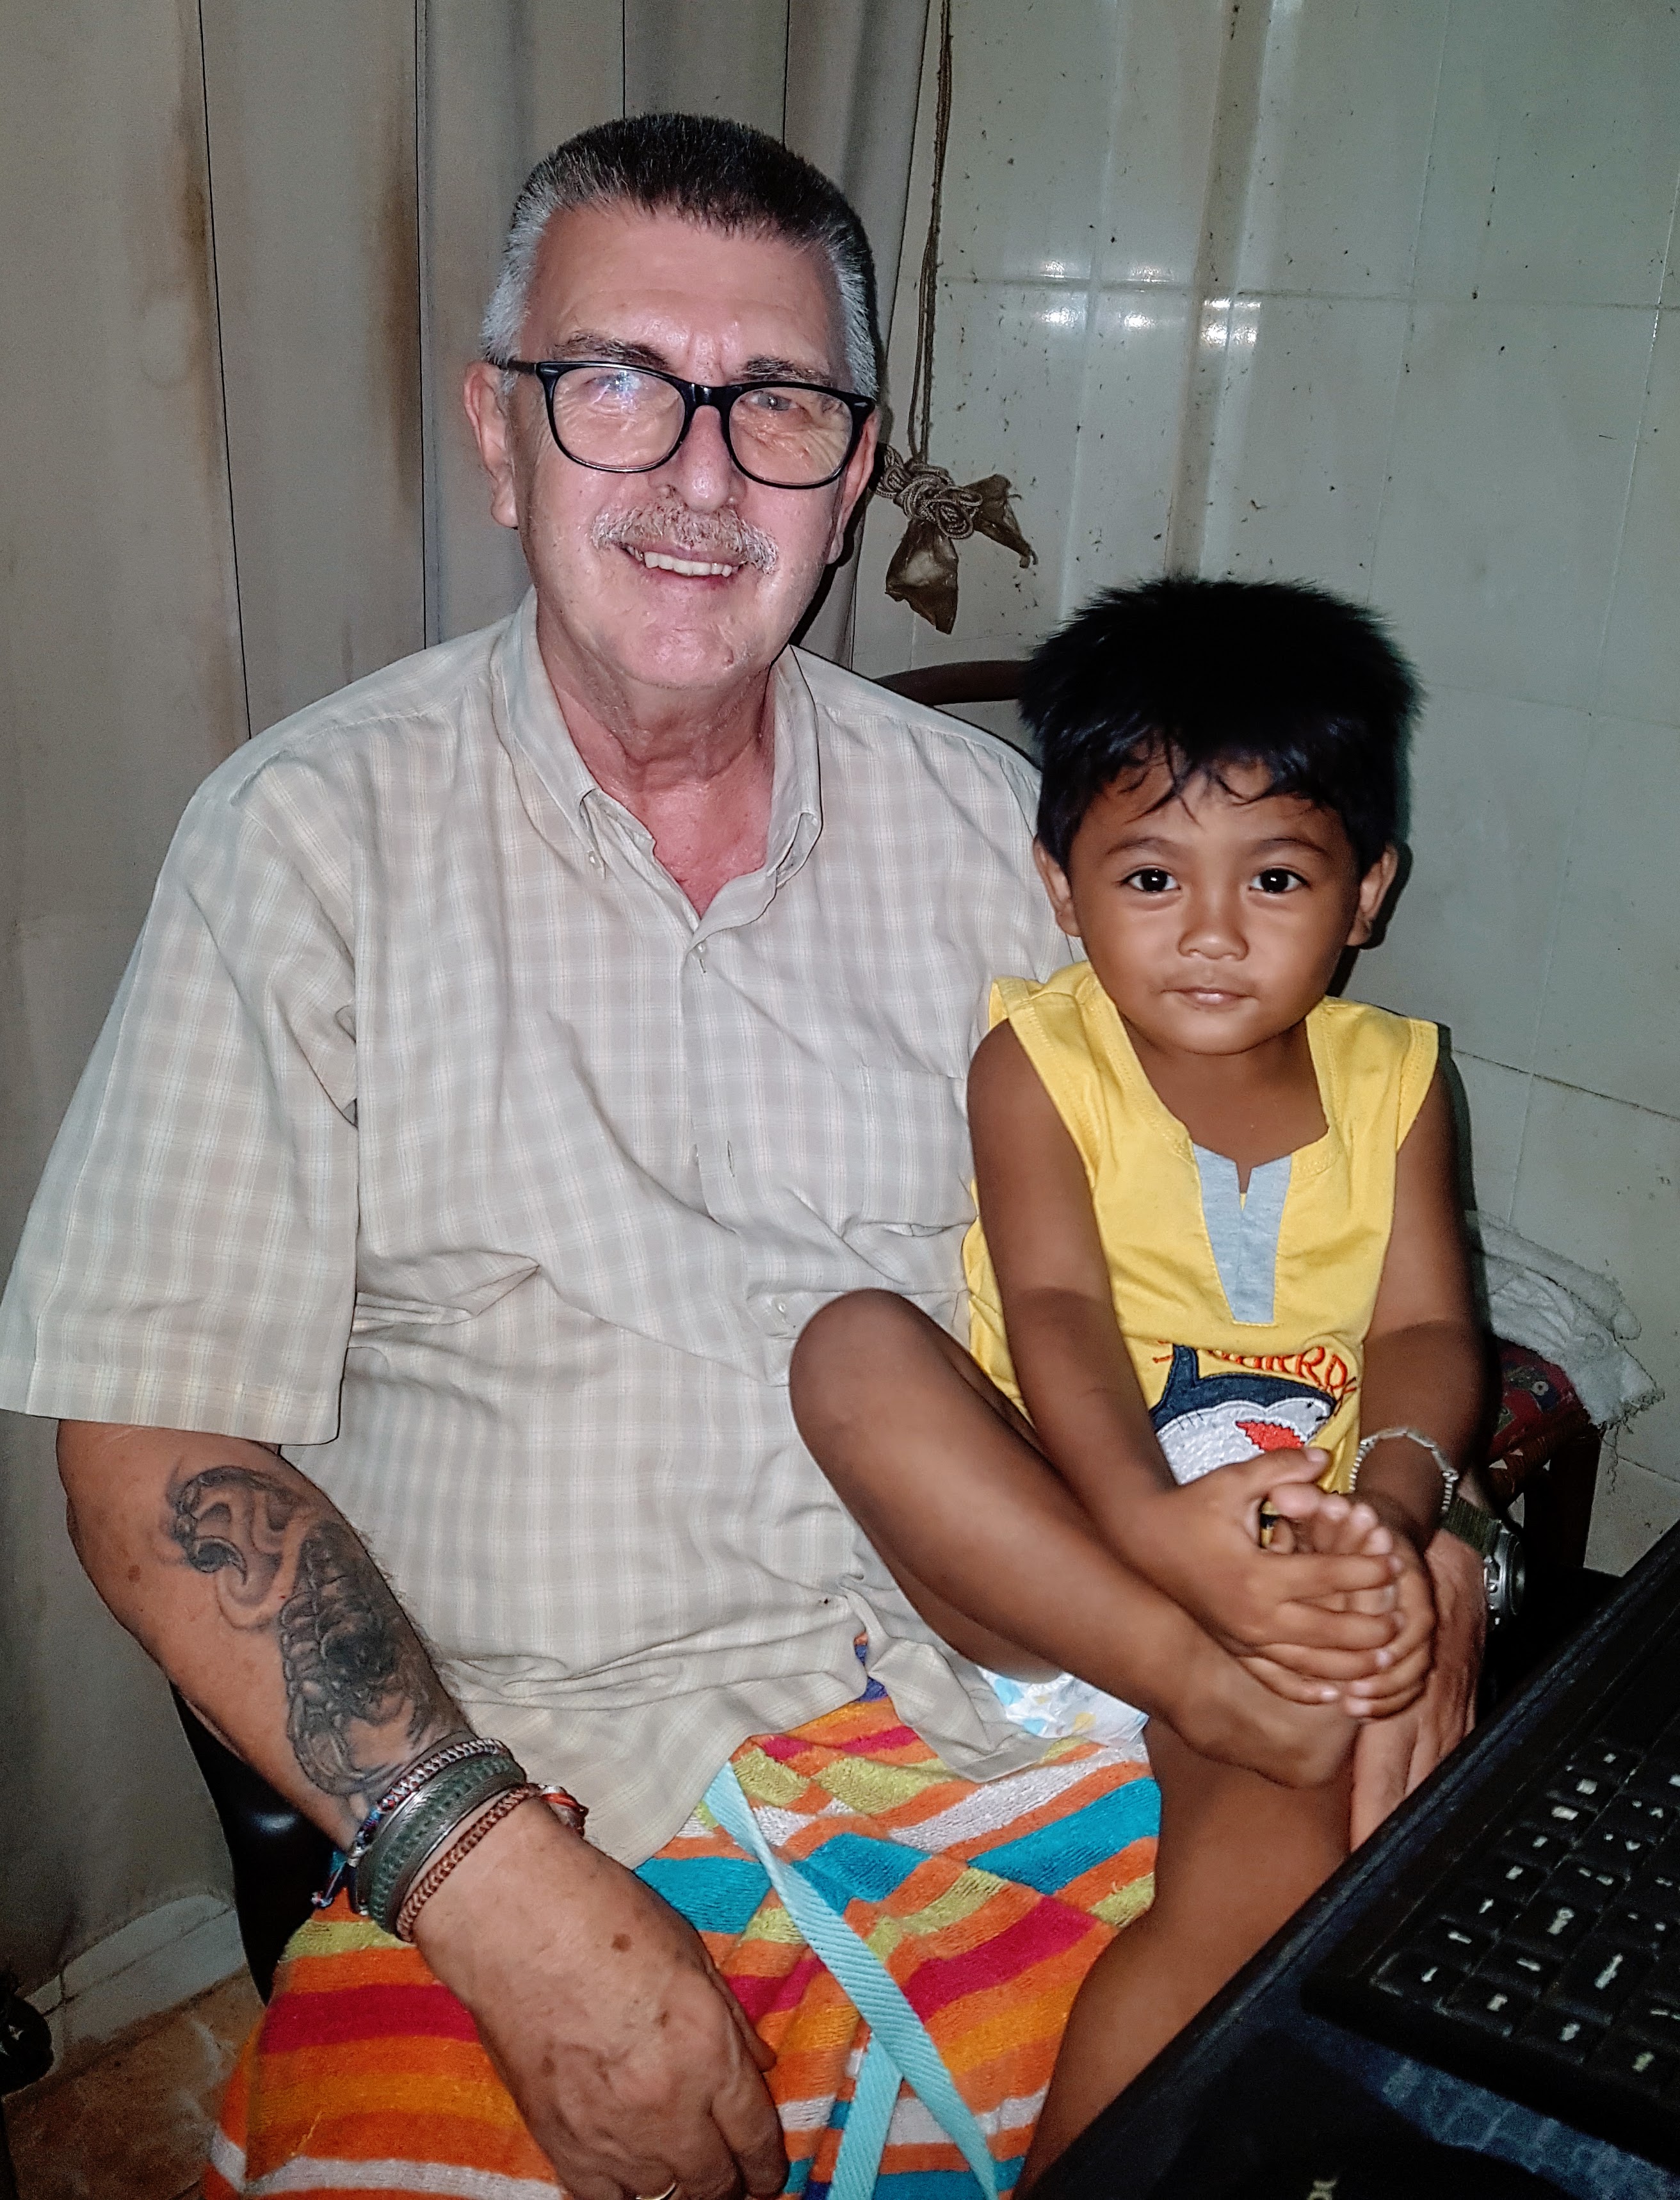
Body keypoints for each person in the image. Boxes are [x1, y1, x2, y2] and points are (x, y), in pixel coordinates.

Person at [0, 114, 1485, 2200]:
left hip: (1037, 1735)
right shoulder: (306, 845)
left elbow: (1280, 1265)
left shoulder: (1005, 849)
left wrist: (1428, 1547)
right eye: (619, 383)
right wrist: (480, 1869)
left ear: (851, 471)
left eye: (777, 402)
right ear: (500, 431)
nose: (703, 477)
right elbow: (144, 1449)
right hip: (547, 1804)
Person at [789, 577, 1489, 2172]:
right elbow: (1051, 1308)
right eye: (1153, 874)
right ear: (1062, 883)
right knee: (853, 1351)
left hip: (1270, 1593)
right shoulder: (1040, 1063)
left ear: (1367, 891)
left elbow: (1427, 1335)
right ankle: (1198, 1682)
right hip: (1059, 1559)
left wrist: (1388, 1515)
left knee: (1251, 1895)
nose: (1214, 931)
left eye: (1278, 875)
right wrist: (1146, 1523)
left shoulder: (1398, 1082)